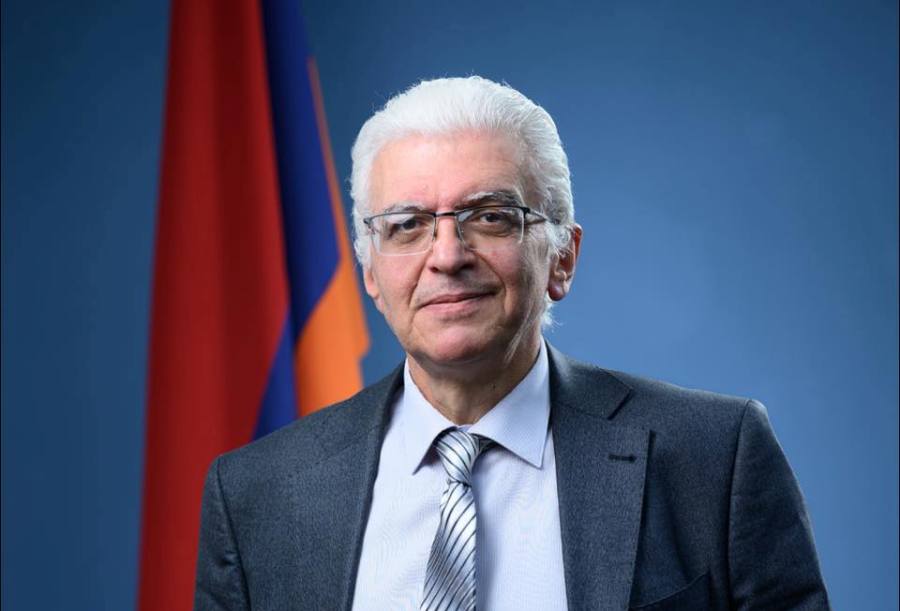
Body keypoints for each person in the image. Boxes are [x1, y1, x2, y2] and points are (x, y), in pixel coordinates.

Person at [195, 76, 829, 610]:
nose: (447, 256)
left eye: (490, 216)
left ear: (562, 258)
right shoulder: (257, 494)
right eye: (408, 225)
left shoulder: (713, 460)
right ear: (370, 273)